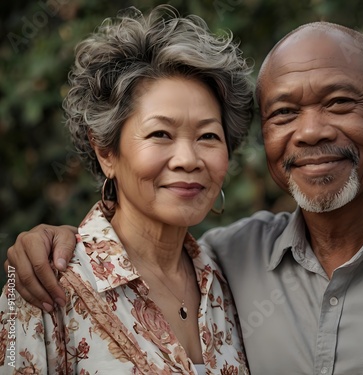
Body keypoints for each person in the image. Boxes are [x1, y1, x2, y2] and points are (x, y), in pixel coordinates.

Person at [5, 21, 363, 375]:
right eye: (284, 113)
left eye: (339, 103)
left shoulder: (222, 273)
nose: (310, 132)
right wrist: (55, 240)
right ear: (106, 152)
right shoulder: (51, 284)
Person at [0, 5, 253, 374]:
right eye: (160, 134)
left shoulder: (230, 282)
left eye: (208, 136)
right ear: (106, 152)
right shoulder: (42, 285)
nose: (188, 159)